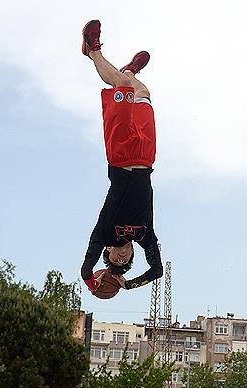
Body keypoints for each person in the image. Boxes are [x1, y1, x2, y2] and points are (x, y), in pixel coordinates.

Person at [79, 19, 164, 295]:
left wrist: (94, 282)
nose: (120, 258)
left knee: (123, 87)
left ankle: (92, 50)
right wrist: (130, 284)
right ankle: (129, 70)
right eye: (125, 261)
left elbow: (85, 272)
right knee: (142, 93)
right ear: (130, 257)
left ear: (107, 252)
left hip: (121, 157)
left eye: (114, 259)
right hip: (146, 157)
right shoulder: (144, 235)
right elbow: (157, 271)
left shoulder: (104, 232)